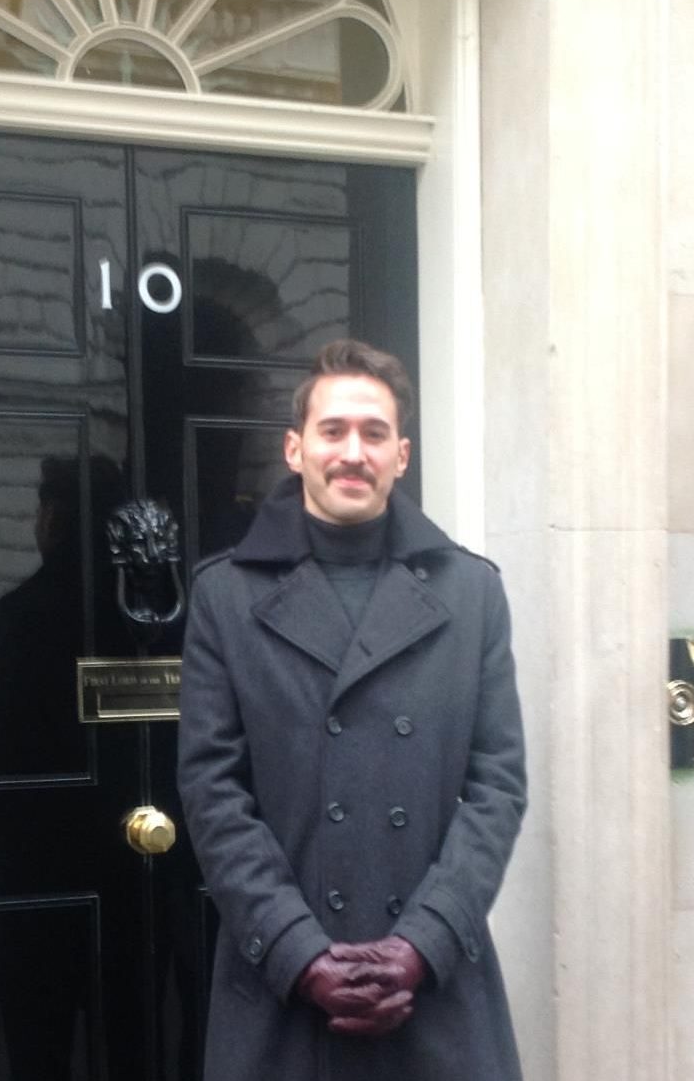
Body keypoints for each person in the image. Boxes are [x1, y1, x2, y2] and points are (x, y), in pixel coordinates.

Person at [176, 339, 526, 1081]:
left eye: (374, 433)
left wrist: (423, 942)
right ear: (295, 448)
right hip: (281, 994)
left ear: (402, 455)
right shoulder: (225, 596)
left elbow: (497, 786)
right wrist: (299, 952)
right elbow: (212, 792)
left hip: (435, 992)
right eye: (332, 430)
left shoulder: (471, 593)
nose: (353, 453)